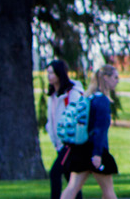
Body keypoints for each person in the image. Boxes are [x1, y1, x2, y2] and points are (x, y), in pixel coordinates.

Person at [60, 65, 120, 199]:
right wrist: (97, 154)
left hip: (80, 148)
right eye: (115, 77)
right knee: (108, 191)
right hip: (95, 150)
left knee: (72, 187)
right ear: (106, 78)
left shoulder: (89, 98)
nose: (117, 81)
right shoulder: (103, 101)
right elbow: (100, 130)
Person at [46, 60, 85, 199]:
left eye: (51, 72)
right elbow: (51, 120)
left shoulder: (72, 94)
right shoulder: (52, 96)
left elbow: (79, 117)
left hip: (70, 143)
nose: (49, 76)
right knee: (71, 180)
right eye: (48, 72)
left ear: (59, 74)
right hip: (59, 143)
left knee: (55, 173)